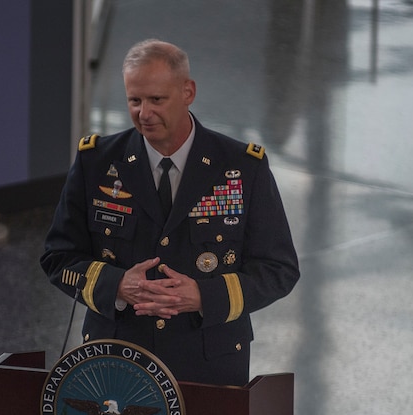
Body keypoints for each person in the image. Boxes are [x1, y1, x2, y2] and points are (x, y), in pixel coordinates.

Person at [40, 39, 299, 386]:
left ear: (188, 91)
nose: (144, 113)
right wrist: (117, 285)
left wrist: (204, 297)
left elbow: (279, 268)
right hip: (115, 362)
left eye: (156, 100)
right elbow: (58, 258)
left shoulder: (241, 166)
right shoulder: (96, 162)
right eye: (135, 100)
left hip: (209, 365)